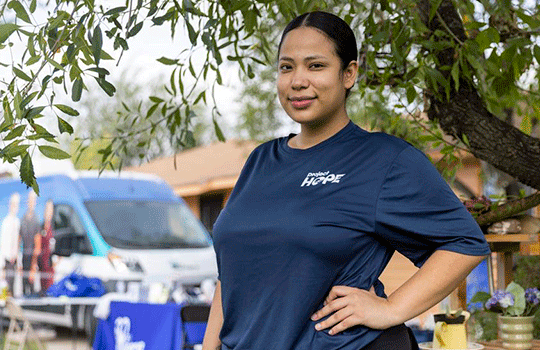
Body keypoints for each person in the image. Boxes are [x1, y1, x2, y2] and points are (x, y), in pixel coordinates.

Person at [202, 11, 491, 350]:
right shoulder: (261, 161)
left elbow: (463, 243)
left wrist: (391, 308)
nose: (297, 80)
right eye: (286, 67)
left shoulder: (383, 160)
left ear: (348, 74)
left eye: (315, 66)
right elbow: (232, 276)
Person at [0, 192, 20, 295]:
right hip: (7, 260)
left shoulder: (17, 222)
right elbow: (3, 244)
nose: (15, 207)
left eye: (17, 205)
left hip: (14, 260)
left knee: (13, 287)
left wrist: (18, 260)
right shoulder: (6, 222)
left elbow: (18, 243)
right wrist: (2, 265)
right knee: (6, 288)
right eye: (13, 204)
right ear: (10, 205)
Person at [33, 199, 55, 295]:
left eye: (50, 210)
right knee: (42, 290)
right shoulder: (40, 227)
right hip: (42, 265)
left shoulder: (55, 227)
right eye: (47, 209)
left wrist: (57, 261)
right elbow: (37, 247)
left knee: (50, 289)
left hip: (51, 267)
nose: (48, 212)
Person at [20, 189, 40, 296]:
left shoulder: (36, 221)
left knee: (31, 289)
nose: (31, 202)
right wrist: (19, 262)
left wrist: (33, 267)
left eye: (33, 200)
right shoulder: (22, 220)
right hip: (23, 259)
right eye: (30, 200)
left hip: (32, 259)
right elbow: (18, 242)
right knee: (23, 288)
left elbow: (37, 246)